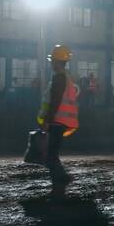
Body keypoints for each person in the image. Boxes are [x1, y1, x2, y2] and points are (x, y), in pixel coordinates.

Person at [36, 44, 79, 199]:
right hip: (61, 121)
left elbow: (55, 101)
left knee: (51, 156)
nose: (51, 63)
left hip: (56, 121)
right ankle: (60, 184)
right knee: (52, 155)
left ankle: (60, 184)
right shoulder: (66, 78)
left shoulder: (59, 78)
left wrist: (47, 120)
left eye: (52, 60)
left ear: (57, 61)